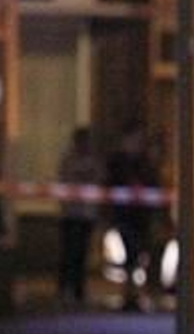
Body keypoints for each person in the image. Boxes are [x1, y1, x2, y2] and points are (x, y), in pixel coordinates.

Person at [106, 121, 158, 311]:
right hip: (124, 215)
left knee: (140, 254)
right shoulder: (117, 162)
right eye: (135, 139)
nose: (137, 144)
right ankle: (129, 293)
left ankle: (136, 293)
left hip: (142, 216)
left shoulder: (145, 161)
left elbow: (153, 183)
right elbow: (110, 183)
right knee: (129, 254)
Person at [56, 127, 101, 306]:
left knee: (81, 253)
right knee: (69, 253)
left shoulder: (93, 161)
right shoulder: (69, 160)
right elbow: (65, 180)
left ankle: (78, 290)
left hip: (86, 214)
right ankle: (65, 289)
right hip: (71, 213)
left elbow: (98, 179)